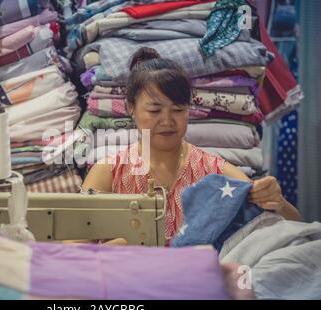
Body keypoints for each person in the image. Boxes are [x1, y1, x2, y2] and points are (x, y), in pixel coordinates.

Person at [82, 47, 301, 243]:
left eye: (178, 109)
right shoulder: (108, 173)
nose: (167, 121)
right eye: (154, 110)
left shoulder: (213, 172)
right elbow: (73, 250)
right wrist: (120, 248)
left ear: (189, 110)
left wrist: (277, 201)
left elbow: (296, 227)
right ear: (131, 107)